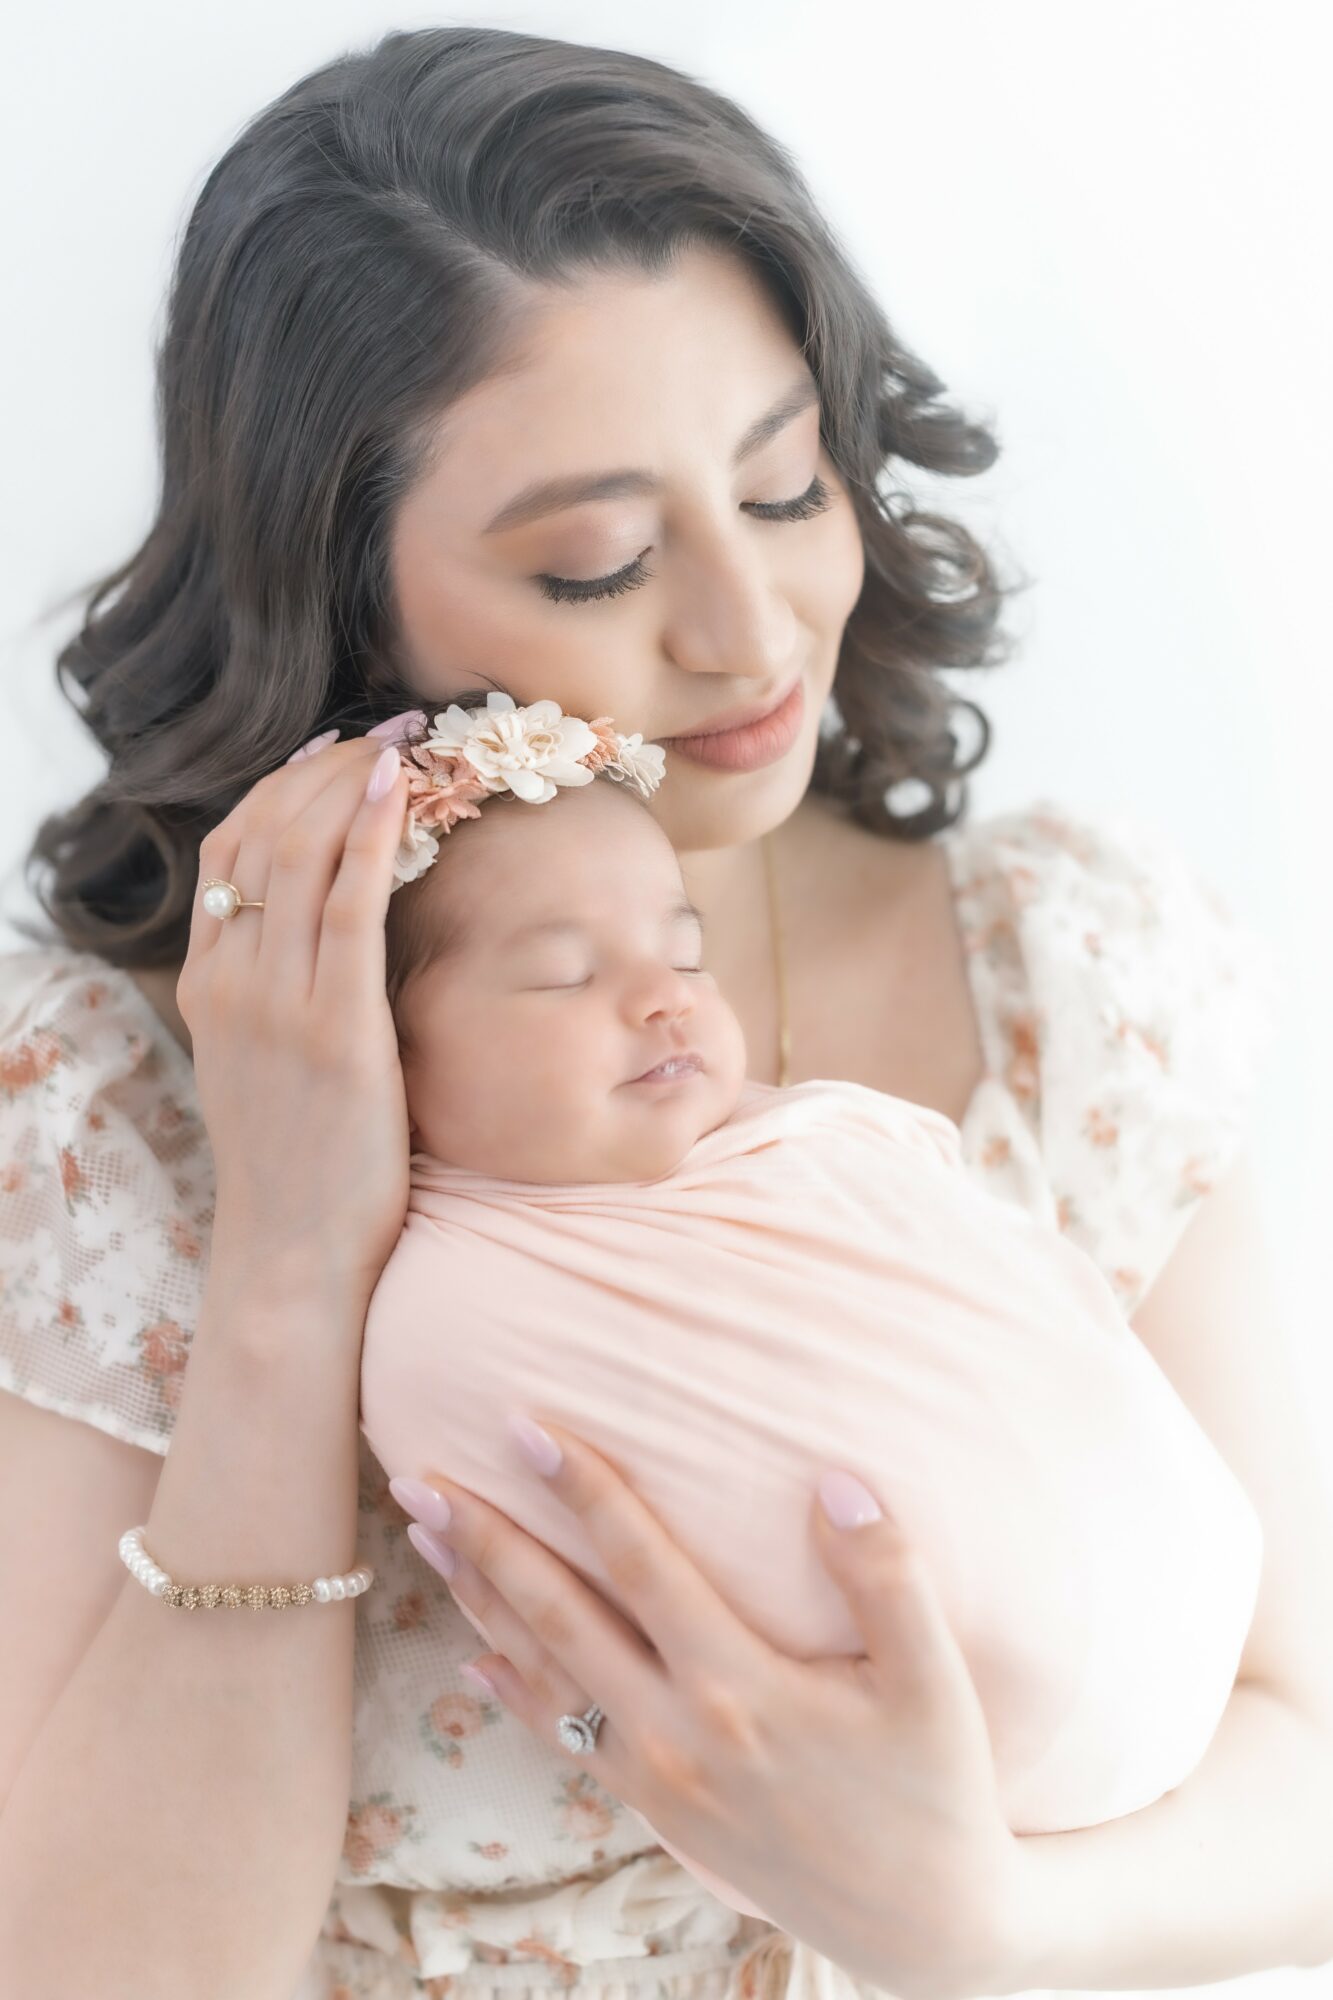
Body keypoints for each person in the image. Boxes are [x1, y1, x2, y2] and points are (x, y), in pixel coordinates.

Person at [2, 23, 1326, 2000]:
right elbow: (98, 1967)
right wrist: (294, 1260)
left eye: (786, 488)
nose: (746, 628)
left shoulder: (1070, 971)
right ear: (350, 605)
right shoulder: (115, 1103)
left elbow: (1299, 1745)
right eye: (598, 560)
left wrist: (976, 1921)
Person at [357, 692, 1264, 1923]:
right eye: (567, 975)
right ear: (382, 1048)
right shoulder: (454, 1301)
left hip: (1144, 1782)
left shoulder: (832, 1124)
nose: (665, 997)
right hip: (942, 1760)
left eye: (685, 954)